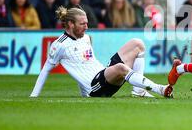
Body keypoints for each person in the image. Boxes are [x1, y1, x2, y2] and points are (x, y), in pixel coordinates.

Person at [30, 6, 173, 98]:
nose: (87, 26)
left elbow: (84, 64)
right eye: (82, 24)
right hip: (95, 88)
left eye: (87, 23)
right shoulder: (59, 45)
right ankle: (159, 89)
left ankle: (138, 91)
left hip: (103, 75)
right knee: (121, 68)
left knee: (138, 43)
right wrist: (33, 96)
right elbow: (45, 70)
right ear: (70, 24)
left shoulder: (85, 37)